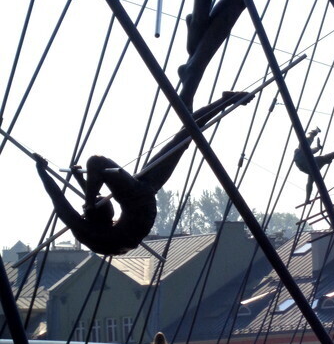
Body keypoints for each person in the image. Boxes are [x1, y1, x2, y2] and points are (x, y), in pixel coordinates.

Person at [34, 91, 251, 256]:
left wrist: (79, 180)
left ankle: (225, 100)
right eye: (98, 201)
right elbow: (59, 200)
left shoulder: (93, 229)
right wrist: (43, 173)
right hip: (138, 200)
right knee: (96, 162)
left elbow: (72, 205)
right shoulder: (87, 228)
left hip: (145, 197)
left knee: (184, 137)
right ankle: (225, 101)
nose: (103, 198)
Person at [293, 127, 334, 203]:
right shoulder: (319, 163)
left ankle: (315, 132)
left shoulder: (315, 167)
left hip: (302, 164)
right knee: (306, 145)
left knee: (306, 145)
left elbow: (309, 184)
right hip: (302, 163)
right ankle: (315, 132)